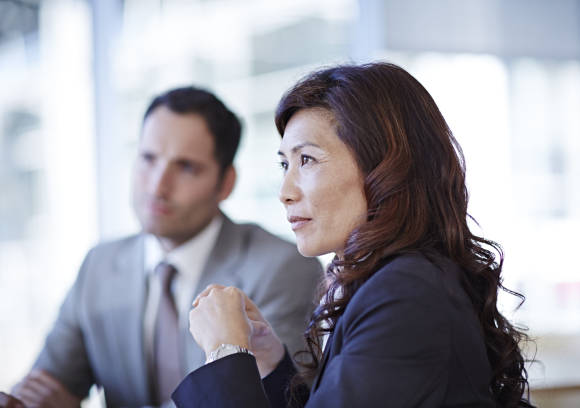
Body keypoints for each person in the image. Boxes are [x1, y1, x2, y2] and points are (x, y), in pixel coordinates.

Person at [171, 63, 534, 408]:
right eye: (285, 164)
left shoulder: (406, 291)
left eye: (307, 160)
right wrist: (265, 357)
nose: (285, 190)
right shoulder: (397, 280)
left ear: (384, 167)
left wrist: (226, 352)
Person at [12, 87, 322, 408]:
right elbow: (44, 386)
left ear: (226, 183)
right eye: (148, 159)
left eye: (186, 167)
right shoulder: (99, 266)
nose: (157, 186)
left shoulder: (283, 267)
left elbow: (260, 401)